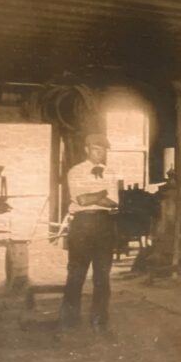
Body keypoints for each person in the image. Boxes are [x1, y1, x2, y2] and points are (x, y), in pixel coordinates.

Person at [60, 133, 121, 333]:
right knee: (76, 273)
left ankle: (99, 319)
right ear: (87, 149)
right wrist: (102, 193)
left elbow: (114, 204)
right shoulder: (75, 172)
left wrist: (94, 196)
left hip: (104, 225)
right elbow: (82, 200)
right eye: (96, 148)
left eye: (103, 149)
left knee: (102, 276)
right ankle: (69, 319)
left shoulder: (110, 173)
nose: (100, 153)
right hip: (82, 225)